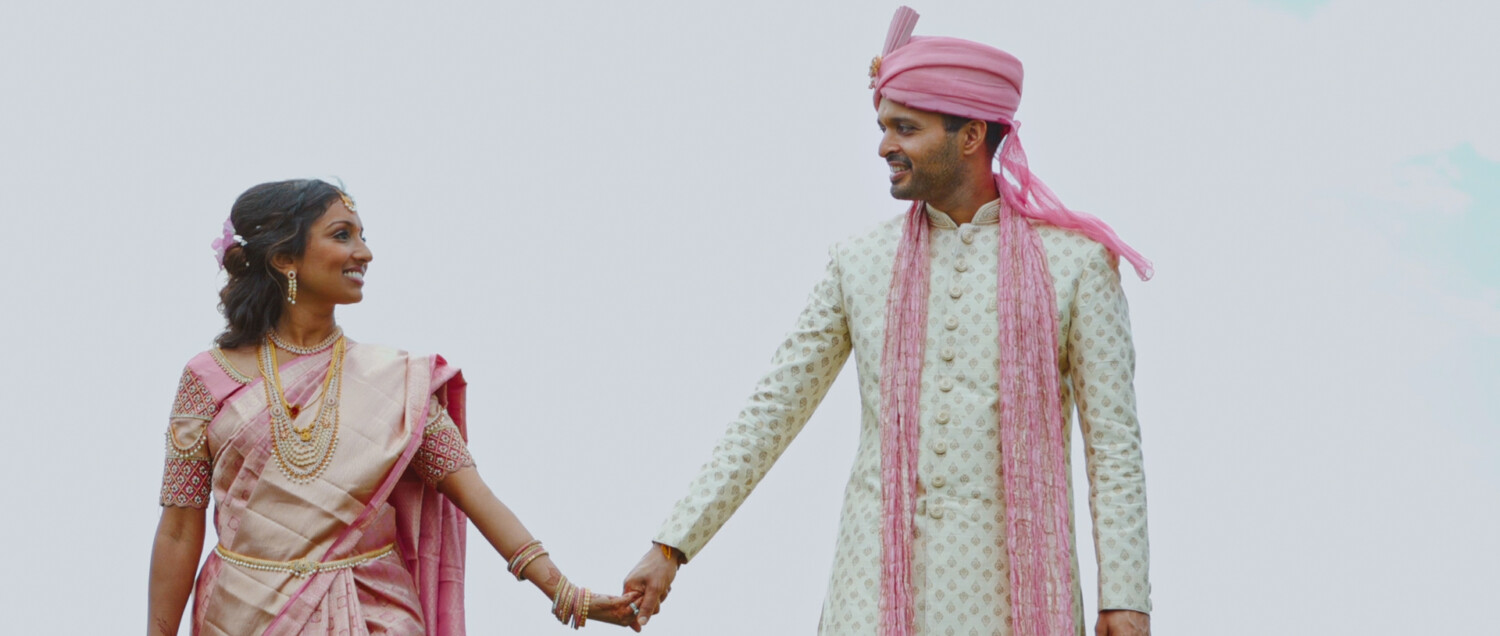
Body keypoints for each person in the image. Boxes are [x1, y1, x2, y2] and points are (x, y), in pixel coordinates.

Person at [622, 7, 1153, 636]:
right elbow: (771, 411)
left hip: (1014, 599)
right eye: (883, 126)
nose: (884, 146)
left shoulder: (1077, 266)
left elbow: (1114, 444)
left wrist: (1125, 598)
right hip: (871, 596)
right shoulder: (860, 264)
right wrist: (672, 546)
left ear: (971, 134)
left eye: (905, 127)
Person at [146, 179, 641, 635]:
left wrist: (566, 594)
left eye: (362, 236)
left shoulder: (398, 383)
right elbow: (177, 531)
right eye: (342, 236)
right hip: (242, 617)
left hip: (373, 614)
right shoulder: (209, 379)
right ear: (284, 258)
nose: (365, 252)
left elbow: (476, 495)